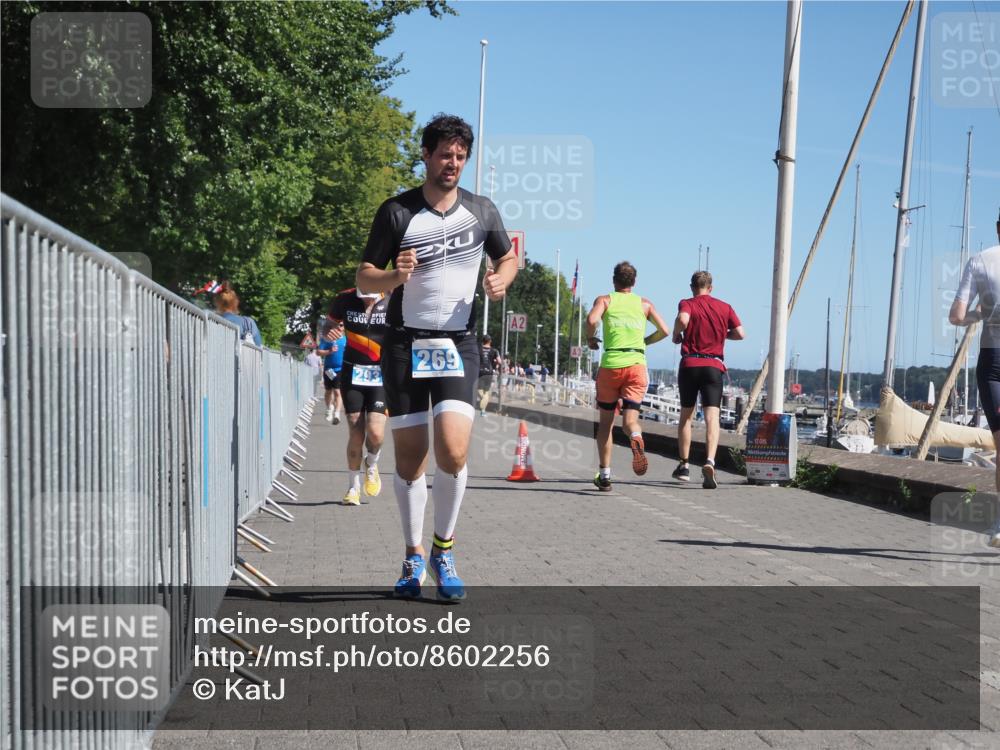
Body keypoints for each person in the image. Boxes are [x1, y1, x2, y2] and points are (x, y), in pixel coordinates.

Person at [355, 113, 518, 600]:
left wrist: (501, 280)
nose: (452, 163)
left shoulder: (482, 211)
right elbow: (365, 276)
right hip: (404, 343)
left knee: (453, 449)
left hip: (458, 344)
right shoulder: (397, 212)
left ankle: (442, 549)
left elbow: (508, 257)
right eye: (444, 154)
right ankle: (411, 556)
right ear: (426, 155)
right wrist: (394, 277)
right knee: (410, 461)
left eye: (460, 156)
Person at [585, 261, 670, 491]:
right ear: (634, 282)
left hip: (611, 364)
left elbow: (592, 320)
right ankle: (635, 435)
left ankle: (604, 475)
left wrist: (590, 339)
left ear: (614, 281)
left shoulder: (605, 300)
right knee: (630, 420)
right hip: (636, 365)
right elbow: (665, 330)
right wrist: (645, 341)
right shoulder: (644, 304)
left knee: (606, 424)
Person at [950, 210, 1000, 548]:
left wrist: (979, 313)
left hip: (992, 361)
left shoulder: (980, 260)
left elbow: (956, 316)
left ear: (997, 227)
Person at [671, 271, 745, 489]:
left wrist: (677, 334)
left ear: (692, 286)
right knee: (713, 417)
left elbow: (682, 319)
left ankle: (684, 466)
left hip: (691, 364)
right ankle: (710, 461)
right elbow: (741, 333)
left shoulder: (687, 303)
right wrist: (723, 335)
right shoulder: (725, 307)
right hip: (713, 366)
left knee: (686, 415)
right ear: (710, 287)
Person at [325, 287, 391, 505]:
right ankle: (353, 488)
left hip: (381, 374)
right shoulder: (344, 298)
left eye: (370, 296)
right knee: (355, 431)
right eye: (363, 296)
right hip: (353, 371)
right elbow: (328, 325)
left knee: (376, 433)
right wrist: (329, 331)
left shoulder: (393, 297)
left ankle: (371, 462)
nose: (366, 301)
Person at [214, 281, 262, 347]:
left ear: (217, 303)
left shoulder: (211, 321)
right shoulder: (248, 323)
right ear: (236, 302)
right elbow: (259, 348)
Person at [317, 311, 345, 424]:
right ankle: (329, 408)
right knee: (329, 391)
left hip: (340, 369)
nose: (340, 327)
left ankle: (337, 414)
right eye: (338, 324)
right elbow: (318, 352)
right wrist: (329, 351)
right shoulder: (327, 338)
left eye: (342, 325)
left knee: (338, 392)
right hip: (329, 369)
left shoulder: (346, 340)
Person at [477, 334, 501, 417]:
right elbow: (499, 361)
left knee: (479, 390)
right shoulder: (494, 351)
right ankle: (483, 408)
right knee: (486, 391)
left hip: (480, 372)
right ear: (490, 341)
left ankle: (483, 410)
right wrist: (495, 363)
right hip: (489, 372)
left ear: (482, 341)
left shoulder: (478, 349)